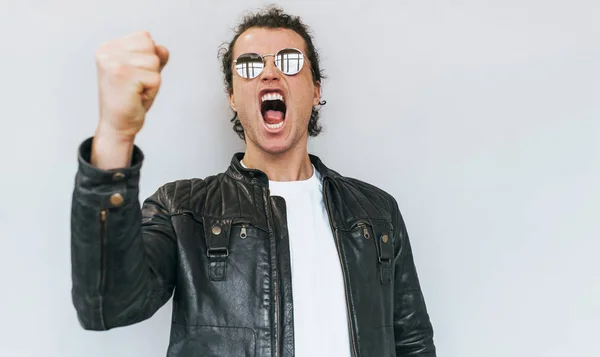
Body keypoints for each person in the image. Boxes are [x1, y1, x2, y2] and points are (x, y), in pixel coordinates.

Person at [70, 6, 436, 357]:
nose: (269, 74)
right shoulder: (182, 209)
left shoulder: (376, 212)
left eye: (289, 61)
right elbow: (109, 304)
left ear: (316, 90)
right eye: (249, 65)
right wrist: (116, 135)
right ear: (232, 96)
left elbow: (413, 342)